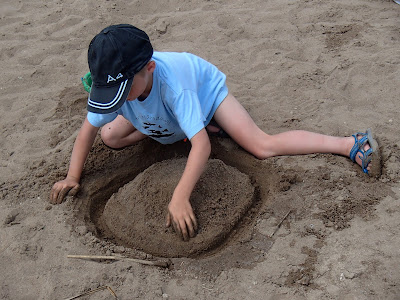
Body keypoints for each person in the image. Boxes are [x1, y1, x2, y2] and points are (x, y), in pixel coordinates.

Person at [50, 24, 380, 241]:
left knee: (261, 146)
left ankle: (349, 144)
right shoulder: (115, 87)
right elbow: (87, 132)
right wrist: (72, 176)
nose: (117, 98)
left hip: (206, 97)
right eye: (112, 93)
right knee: (110, 136)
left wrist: (179, 196)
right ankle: (180, 126)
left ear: (149, 67)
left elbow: (202, 148)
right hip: (170, 113)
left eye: (123, 90)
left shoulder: (177, 88)